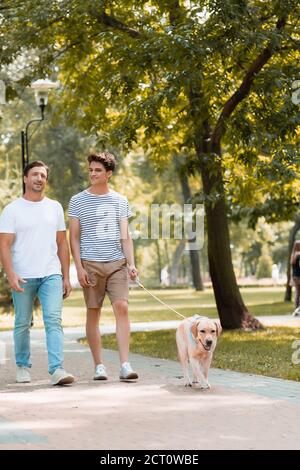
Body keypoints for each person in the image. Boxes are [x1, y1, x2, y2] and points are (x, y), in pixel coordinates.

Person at [0, 161, 75, 385]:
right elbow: (4, 244)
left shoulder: (54, 207)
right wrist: (11, 274)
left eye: (43, 175)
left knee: (53, 319)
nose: (39, 179)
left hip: (50, 273)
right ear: (25, 178)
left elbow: (62, 243)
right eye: (34, 175)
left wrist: (65, 275)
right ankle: (23, 366)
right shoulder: (12, 209)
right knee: (23, 322)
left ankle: (57, 369)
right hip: (23, 275)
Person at [69, 152, 138, 381]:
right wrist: (78, 268)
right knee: (93, 313)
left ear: (108, 174)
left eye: (97, 170)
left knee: (122, 307)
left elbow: (125, 236)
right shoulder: (77, 201)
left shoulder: (120, 201)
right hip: (91, 264)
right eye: (90, 169)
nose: (92, 173)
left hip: (117, 264)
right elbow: (74, 238)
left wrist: (131, 264)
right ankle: (99, 365)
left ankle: (125, 365)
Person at [291, 240, 300, 316]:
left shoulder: (293, 255)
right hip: (299, 275)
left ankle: (296, 309)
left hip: (295, 276)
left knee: (297, 293)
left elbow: (292, 267)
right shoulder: (298, 254)